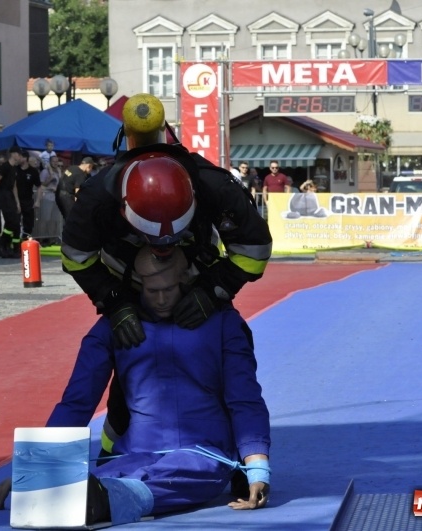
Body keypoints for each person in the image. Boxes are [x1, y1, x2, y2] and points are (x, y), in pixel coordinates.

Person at [0, 247, 270, 524]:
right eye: (152, 291)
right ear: (138, 284)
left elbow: (244, 398)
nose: (161, 300)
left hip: (204, 452)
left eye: (169, 289)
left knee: (187, 472)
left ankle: (105, 499)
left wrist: (257, 468)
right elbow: (77, 400)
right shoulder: (112, 327)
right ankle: (95, 495)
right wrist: (34, 473)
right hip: (133, 453)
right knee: (110, 475)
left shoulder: (224, 323)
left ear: (186, 279)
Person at [60, 94, 272, 459]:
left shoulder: (214, 186)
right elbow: (77, 259)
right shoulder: (96, 197)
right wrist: (116, 302)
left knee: (225, 370)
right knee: (130, 381)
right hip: (129, 295)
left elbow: (254, 252)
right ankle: (115, 449)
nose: (164, 246)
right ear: (124, 206)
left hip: (197, 289)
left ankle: (237, 452)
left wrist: (211, 291)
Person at [0, 146, 22, 257]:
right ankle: (2, 244)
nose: (20, 157)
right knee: (10, 220)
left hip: (10, 195)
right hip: (3, 195)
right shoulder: (5, 167)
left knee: (14, 222)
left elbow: (14, 186)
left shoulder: (14, 168)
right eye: (19, 154)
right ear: (14, 154)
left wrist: (17, 202)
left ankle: (10, 247)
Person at [56, 156, 95, 221]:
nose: (91, 170)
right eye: (92, 168)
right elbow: (78, 191)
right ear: (89, 166)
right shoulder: (81, 174)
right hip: (67, 197)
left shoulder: (71, 168)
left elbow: (62, 179)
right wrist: (78, 204)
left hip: (59, 194)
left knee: (65, 218)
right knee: (71, 218)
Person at [16, 152, 39, 238]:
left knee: (29, 222)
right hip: (15, 199)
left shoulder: (33, 171)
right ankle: (14, 241)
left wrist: (37, 201)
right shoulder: (15, 169)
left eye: (20, 157)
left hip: (28, 200)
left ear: (25, 158)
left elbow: (39, 186)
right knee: (14, 221)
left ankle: (26, 239)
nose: (18, 159)